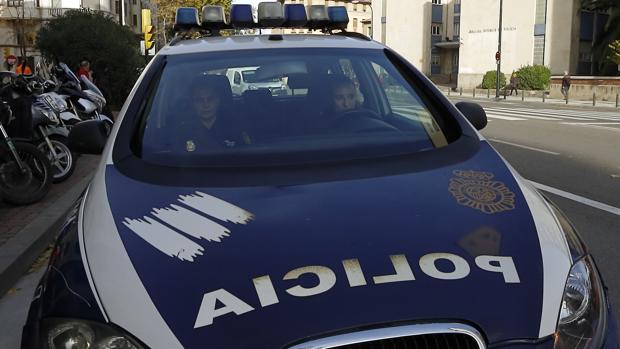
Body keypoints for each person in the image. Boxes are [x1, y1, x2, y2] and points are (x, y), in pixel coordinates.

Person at [174, 74, 251, 152]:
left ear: (218, 100)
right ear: (192, 103)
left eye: (210, 99)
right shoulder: (182, 132)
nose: (206, 105)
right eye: (199, 100)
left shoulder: (235, 128)